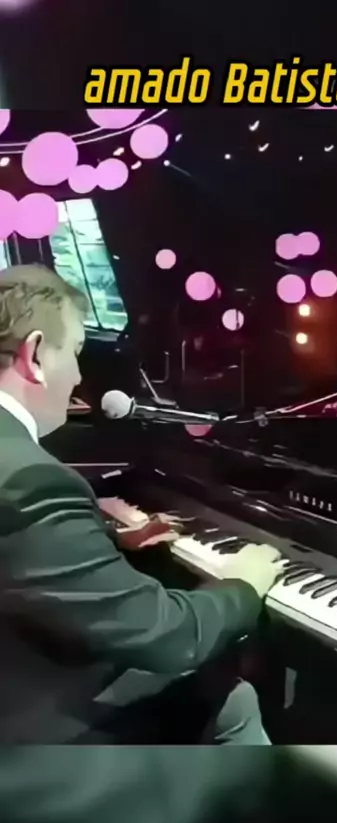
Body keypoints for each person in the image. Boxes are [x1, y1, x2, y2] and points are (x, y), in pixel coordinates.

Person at [0, 263, 283, 745]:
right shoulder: (29, 479)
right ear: (36, 354)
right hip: (32, 734)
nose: (79, 376)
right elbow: (170, 637)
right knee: (228, 697)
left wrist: (103, 540)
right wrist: (243, 584)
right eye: (75, 352)